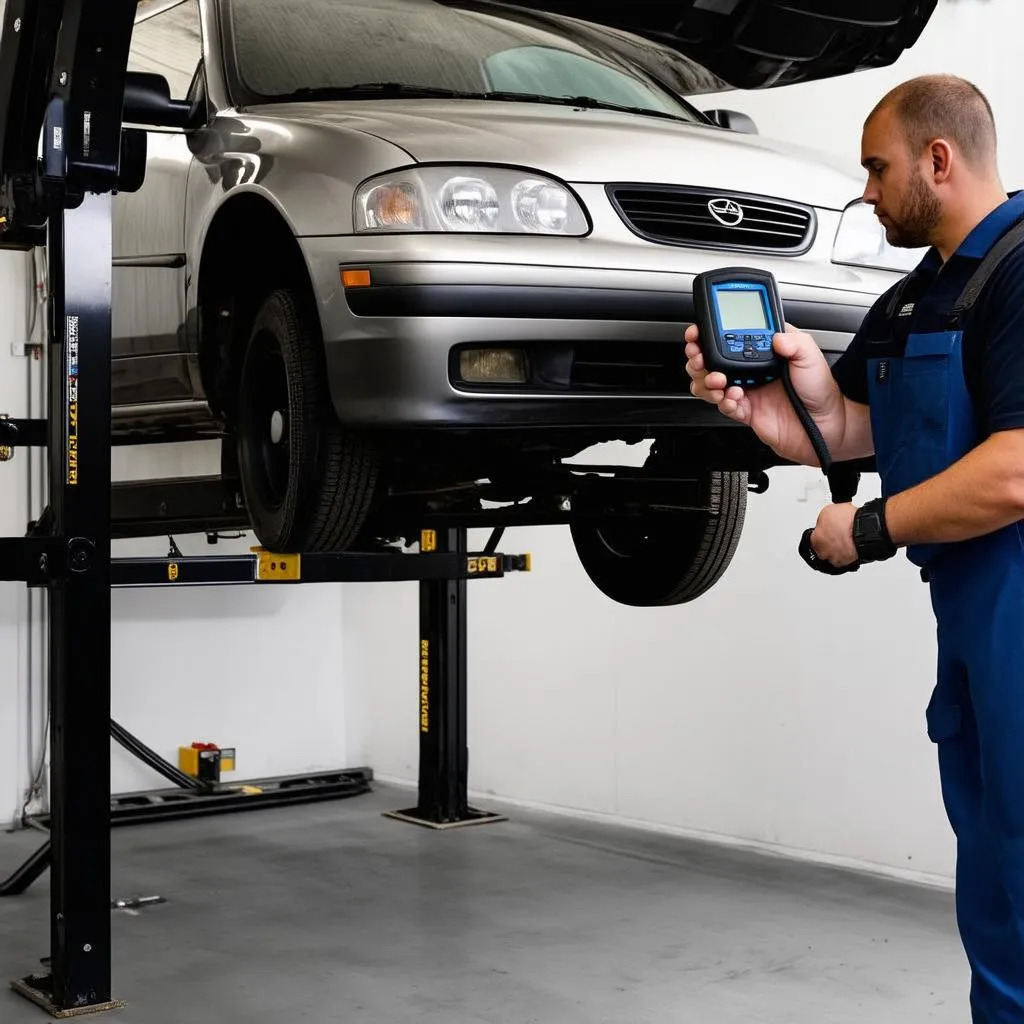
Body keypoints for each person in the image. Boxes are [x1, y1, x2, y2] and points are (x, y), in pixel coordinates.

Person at [685, 73, 1024, 1020]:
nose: (867, 191)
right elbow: (857, 426)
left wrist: (867, 527)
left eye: (877, 168)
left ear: (938, 159)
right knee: (994, 868)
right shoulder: (921, 295)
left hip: (1019, 602)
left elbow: (1015, 471)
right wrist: (778, 403)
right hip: (972, 611)